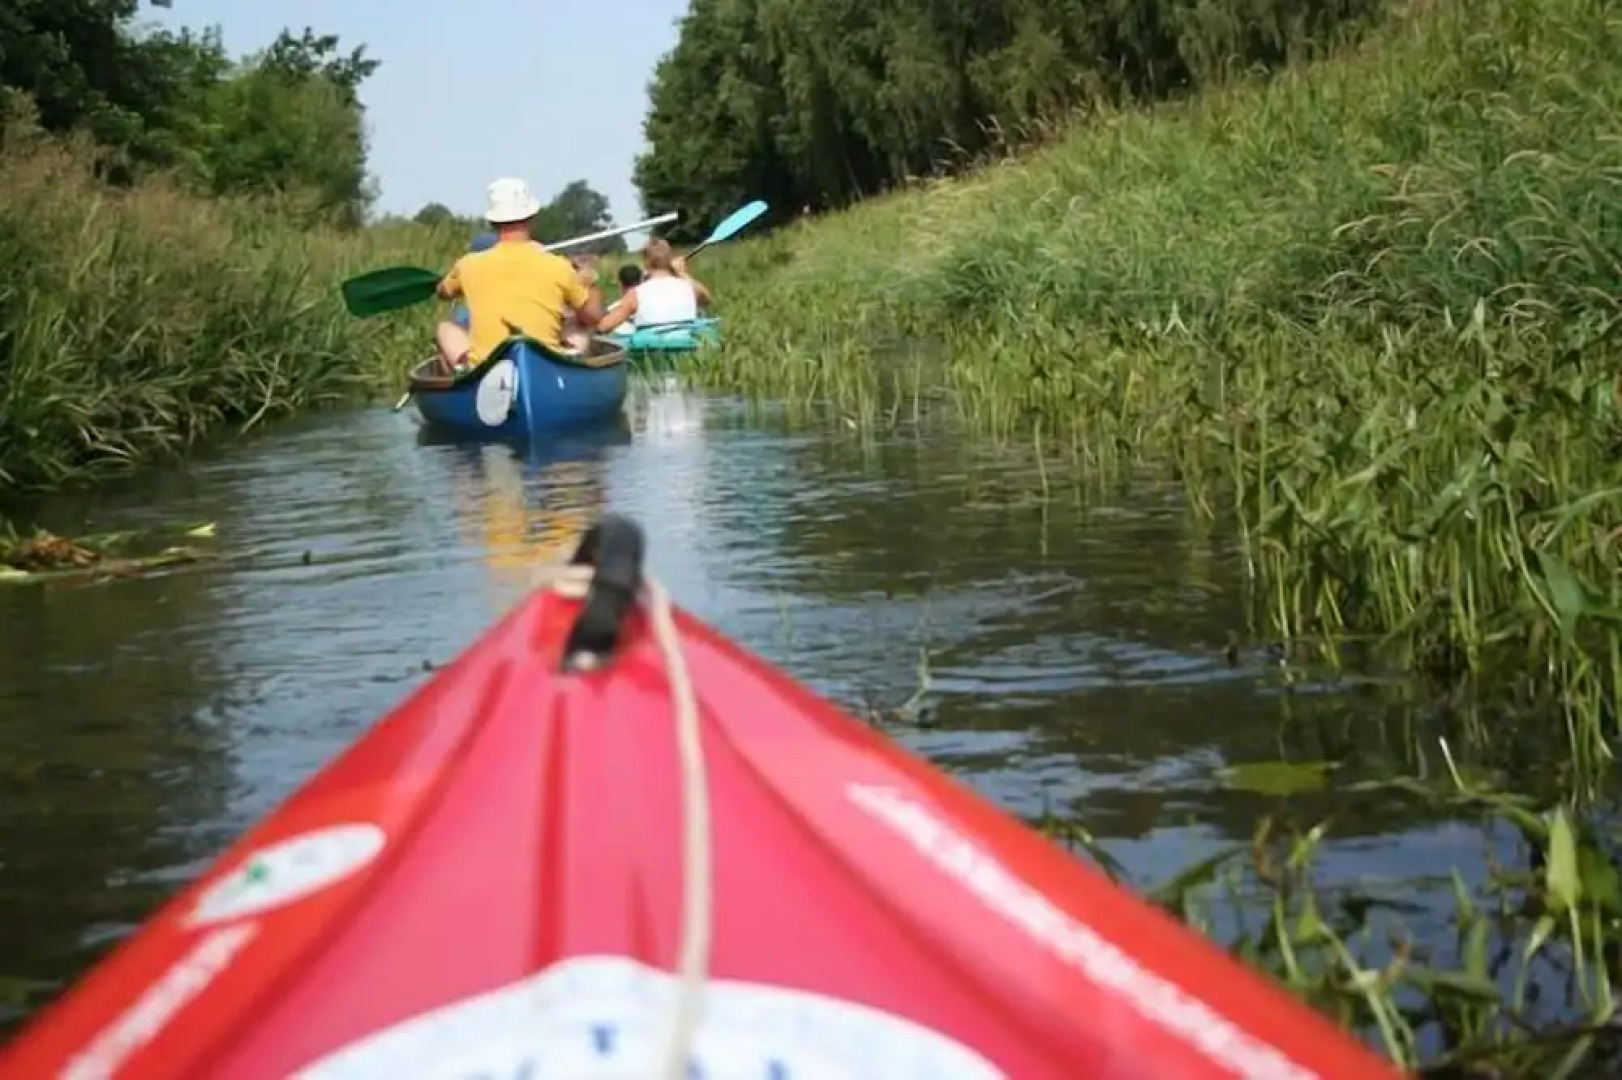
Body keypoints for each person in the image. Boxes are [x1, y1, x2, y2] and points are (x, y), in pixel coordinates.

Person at [433, 177, 605, 373]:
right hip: (546, 366)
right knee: (578, 322)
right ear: (532, 219)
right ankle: (570, 360)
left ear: (492, 222)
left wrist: (451, 284)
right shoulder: (559, 266)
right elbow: (594, 318)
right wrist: (589, 279)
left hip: (487, 368)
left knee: (445, 328)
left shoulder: (467, 265)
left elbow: (443, 292)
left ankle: (466, 370)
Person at [595, 238, 710, 335]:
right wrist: (682, 273)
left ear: (646, 262)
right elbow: (706, 300)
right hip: (686, 345)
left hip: (651, 348)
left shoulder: (636, 294)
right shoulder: (689, 287)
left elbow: (603, 327)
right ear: (670, 259)